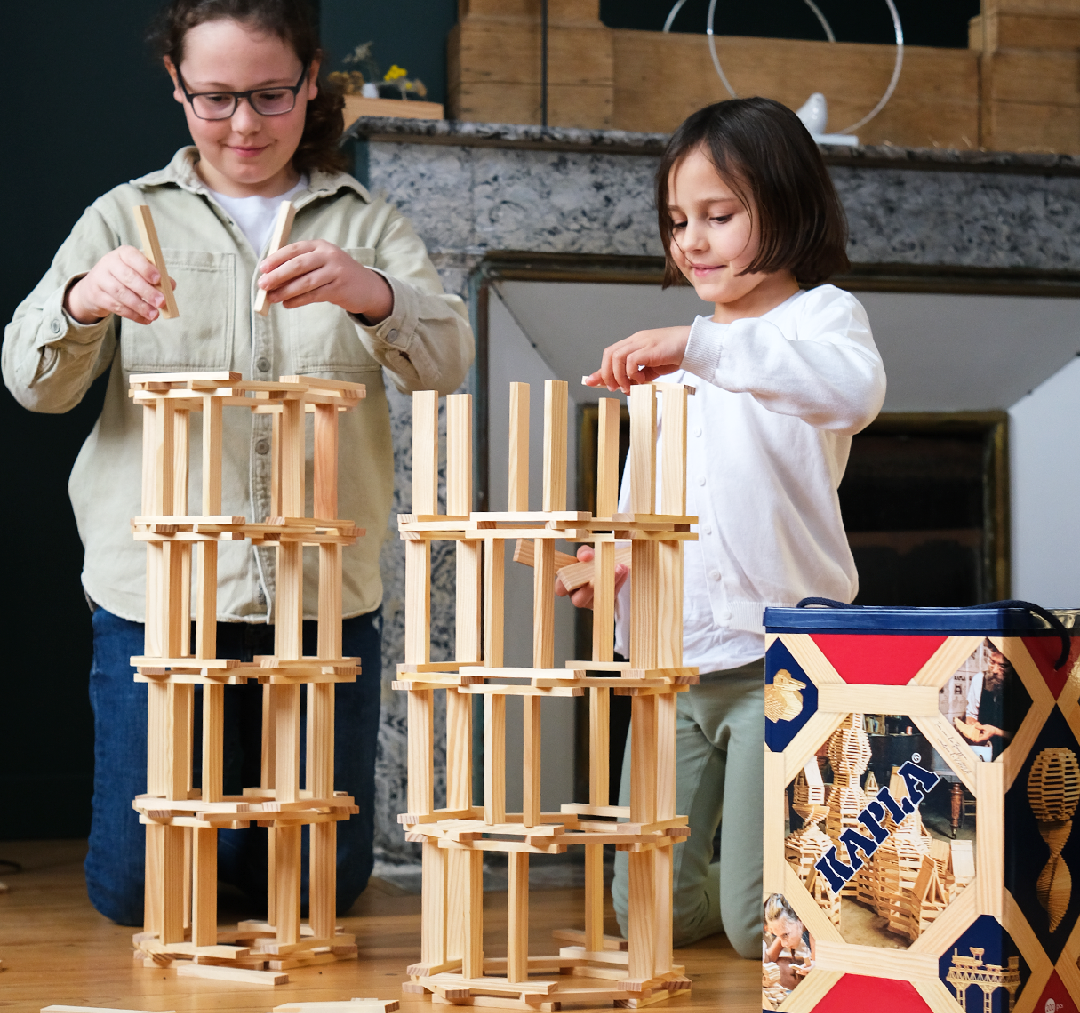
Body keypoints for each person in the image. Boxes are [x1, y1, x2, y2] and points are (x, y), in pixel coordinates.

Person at [2, 0, 473, 925]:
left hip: (320, 595)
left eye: (270, 94)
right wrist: (82, 299)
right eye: (215, 99)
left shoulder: (365, 224)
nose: (245, 125)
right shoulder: (124, 216)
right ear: (177, 88)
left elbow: (448, 362)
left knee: (316, 891)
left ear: (311, 82)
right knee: (144, 891)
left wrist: (373, 295)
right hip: (159, 598)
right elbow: (32, 383)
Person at [566, 97, 885, 958]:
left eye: (719, 216)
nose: (692, 243)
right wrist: (612, 556)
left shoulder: (820, 321)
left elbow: (850, 395)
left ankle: (833, 880)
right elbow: (652, 494)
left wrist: (698, 346)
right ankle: (723, 881)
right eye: (678, 221)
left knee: (755, 933)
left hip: (773, 661)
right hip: (674, 658)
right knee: (642, 913)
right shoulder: (674, 360)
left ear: (784, 207)